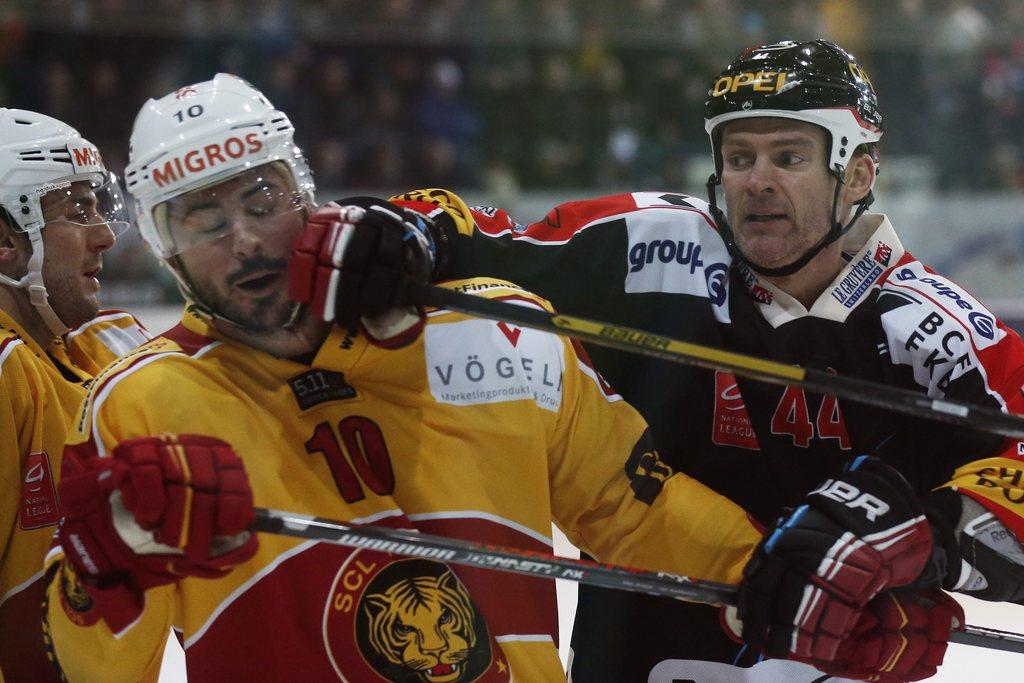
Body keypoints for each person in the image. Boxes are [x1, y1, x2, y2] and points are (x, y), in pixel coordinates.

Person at [36, 73, 801, 682]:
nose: (245, 241)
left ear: (306, 192)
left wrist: (786, 582)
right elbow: (96, 668)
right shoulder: (138, 404)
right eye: (201, 220)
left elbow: (635, 512)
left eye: (262, 198)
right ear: (165, 251)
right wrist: (103, 570)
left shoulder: (493, 326)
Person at [328, 40, 1024, 681]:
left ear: (859, 173)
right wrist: (402, 233)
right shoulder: (663, 245)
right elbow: (478, 235)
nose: (756, 181)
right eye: (738, 156)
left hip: (841, 657)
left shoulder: (933, 326)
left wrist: (929, 542)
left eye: (789, 157)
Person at [0, 109, 148, 681]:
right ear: (5, 240)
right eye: (77, 211)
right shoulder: (7, 371)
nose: (106, 234)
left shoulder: (104, 345)